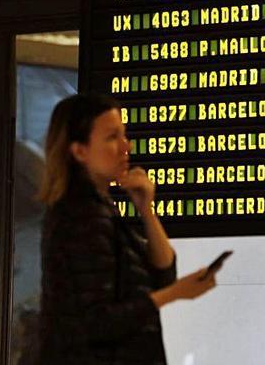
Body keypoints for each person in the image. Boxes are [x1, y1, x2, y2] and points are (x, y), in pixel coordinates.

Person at [37, 93, 216, 364]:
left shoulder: (101, 212)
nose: (125, 147)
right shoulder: (81, 217)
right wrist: (176, 293)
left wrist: (146, 211)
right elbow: (96, 322)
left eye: (124, 135)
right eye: (111, 137)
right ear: (79, 151)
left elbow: (163, 273)